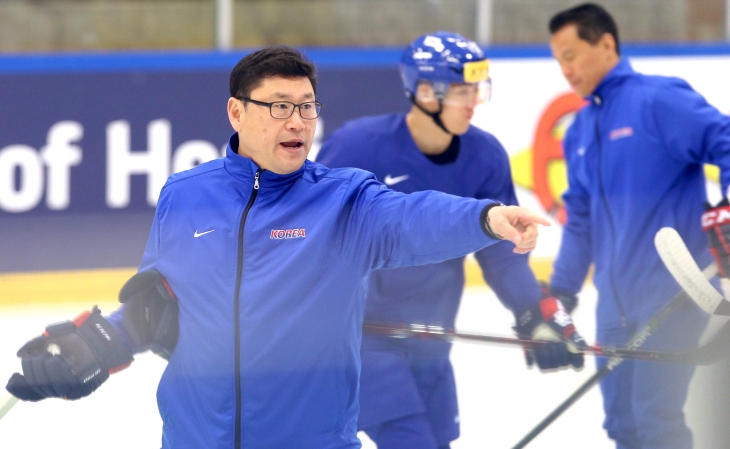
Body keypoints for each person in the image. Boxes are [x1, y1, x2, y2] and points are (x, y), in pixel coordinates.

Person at [4, 46, 561, 449]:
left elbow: (412, 219)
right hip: (195, 439)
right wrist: (98, 342)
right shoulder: (185, 195)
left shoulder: (345, 201)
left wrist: (486, 218)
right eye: (279, 106)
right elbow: (161, 307)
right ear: (237, 112)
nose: (297, 122)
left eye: (306, 106)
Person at [316, 31, 586, 449]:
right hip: (359, 340)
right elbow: (316, 235)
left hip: (432, 340)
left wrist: (534, 310)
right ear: (425, 92)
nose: (474, 101)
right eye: (462, 91)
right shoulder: (357, 147)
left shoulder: (486, 155)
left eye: (477, 89)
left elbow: (502, 253)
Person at [547, 4, 730, 449]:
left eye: (571, 55)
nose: (565, 70)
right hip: (614, 309)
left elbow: (725, 140)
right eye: (558, 60)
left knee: (655, 420)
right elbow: (580, 220)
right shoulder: (579, 131)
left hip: (674, 296)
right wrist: (559, 295)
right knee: (622, 425)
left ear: (606, 44)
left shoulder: (657, 100)